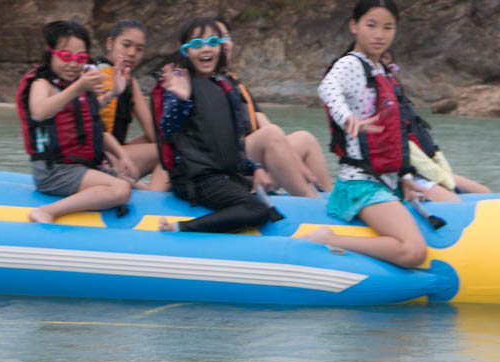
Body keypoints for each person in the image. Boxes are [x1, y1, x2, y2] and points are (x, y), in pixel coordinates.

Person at [155, 17, 314, 234]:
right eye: (196, 44)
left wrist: (254, 168)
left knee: (265, 195)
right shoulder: (180, 87)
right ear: (185, 52)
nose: (205, 48)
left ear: (220, 47)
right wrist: (182, 98)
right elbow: (168, 128)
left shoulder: (225, 87)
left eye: (212, 41)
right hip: (198, 180)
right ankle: (182, 227)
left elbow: (233, 145)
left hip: (223, 175)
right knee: (256, 210)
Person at [302, 0, 427, 268]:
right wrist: (347, 118)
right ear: (353, 26)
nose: (379, 34)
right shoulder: (351, 64)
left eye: (388, 27)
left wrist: (403, 175)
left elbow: (393, 134)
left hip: (385, 181)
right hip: (360, 183)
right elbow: (328, 88)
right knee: (413, 252)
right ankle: (330, 239)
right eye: (371, 25)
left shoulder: (380, 69)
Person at [16, 20, 133, 223]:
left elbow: (95, 124)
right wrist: (78, 87)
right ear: (50, 53)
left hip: (79, 167)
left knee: (131, 182)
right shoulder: (42, 83)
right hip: (54, 171)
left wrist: (115, 91)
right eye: (65, 56)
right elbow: (40, 112)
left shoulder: (76, 85)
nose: (73, 63)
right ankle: (48, 211)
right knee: (120, 189)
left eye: (80, 57)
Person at [215, 18, 333, 193]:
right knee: (271, 134)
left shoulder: (235, 84)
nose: (223, 42)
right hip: (224, 162)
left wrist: (295, 162)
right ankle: (307, 197)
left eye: (226, 36)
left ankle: (327, 202)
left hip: (248, 156)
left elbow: (265, 124)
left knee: (305, 139)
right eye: (215, 38)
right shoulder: (202, 84)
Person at [380, 51, 491, 196]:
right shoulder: (371, 98)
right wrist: (406, 176)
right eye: (383, 63)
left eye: (391, 65)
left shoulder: (397, 97)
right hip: (402, 175)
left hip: (423, 168)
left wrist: (439, 172)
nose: (388, 69)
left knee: (484, 192)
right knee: (452, 199)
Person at [94, 19, 160, 182]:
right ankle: (154, 193)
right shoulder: (93, 74)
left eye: (139, 49)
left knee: (164, 139)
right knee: (168, 150)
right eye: (126, 45)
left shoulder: (130, 82)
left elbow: (152, 130)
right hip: (96, 154)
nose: (132, 53)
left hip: (115, 151)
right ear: (110, 43)